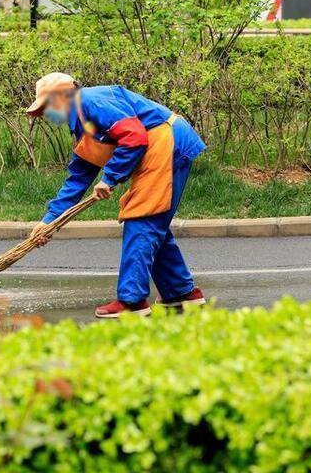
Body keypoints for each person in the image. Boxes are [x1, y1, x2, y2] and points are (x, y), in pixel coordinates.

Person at [25, 73, 207, 318]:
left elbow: (135, 137)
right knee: (151, 224)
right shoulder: (82, 124)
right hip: (159, 148)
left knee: (142, 222)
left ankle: (132, 301)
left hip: (167, 143)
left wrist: (109, 178)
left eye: (46, 107)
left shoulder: (91, 101)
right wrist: (49, 221)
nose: (47, 115)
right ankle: (180, 293)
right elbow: (78, 178)